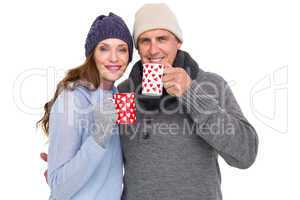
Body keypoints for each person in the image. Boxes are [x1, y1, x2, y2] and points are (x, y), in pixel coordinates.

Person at [117, 3, 259, 200]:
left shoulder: (210, 84)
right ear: (138, 48)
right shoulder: (124, 93)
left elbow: (245, 154)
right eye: (144, 40)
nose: (153, 49)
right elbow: (112, 160)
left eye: (162, 39)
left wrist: (191, 93)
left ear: (178, 41)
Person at [37, 12, 133, 200]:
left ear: (129, 56)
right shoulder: (71, 99)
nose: (114, 58)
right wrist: (97, 138)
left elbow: (130, 154)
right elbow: (59, 188)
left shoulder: (119, 96)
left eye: (122, 49)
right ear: (92, 54)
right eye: (104, 48)